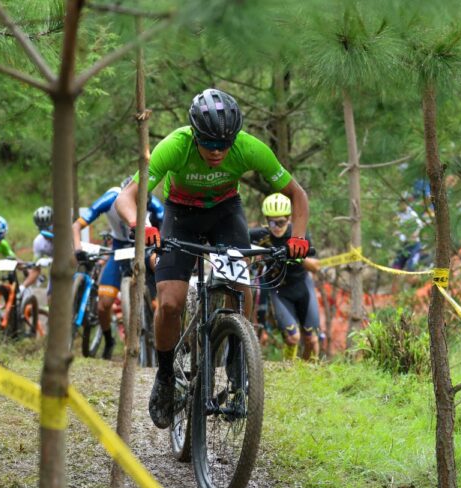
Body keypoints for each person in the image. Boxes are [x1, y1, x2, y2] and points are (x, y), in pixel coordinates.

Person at [115, 88, 311, 429]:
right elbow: (127, 196)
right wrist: (140, 224)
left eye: (225, 143)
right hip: (181, 214)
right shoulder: (176, 145)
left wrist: (298, 237)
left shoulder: (249, 147)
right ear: (194, 134)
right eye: (209, 143)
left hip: (225, 213)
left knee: (241, 284)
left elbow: (298, 194)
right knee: (171, 302)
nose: (218, 151)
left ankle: (239, 359)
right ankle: (164, 375)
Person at [71, 178, 163, 360]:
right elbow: (77, 226)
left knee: (158, 293)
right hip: (119, 247)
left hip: (144, 245)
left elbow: (166, 226)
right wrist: (78, 249)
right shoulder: (110, 198)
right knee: (104, 304)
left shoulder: (153, 203)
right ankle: (109, 340)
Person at [250, 193, 321, 361]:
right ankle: (290, 370)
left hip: (302, 285)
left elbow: (316, 267)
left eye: (281, 221)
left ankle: (309, 372)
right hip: (279, 290)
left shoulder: (298, 233)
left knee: (311, 338)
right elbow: (237, 238)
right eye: (271, 222)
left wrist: (295, 255)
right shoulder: (261, 235)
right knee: (292, 338)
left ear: (289, 219)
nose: (276, 226)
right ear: (266, 220)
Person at [20, 206, 53, 295]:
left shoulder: (65, 235)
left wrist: (50, 260)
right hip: (56, 270)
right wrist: (23, 287)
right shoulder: (39, 242)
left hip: (72, 268)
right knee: (50, 296)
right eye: (42, 229)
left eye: (48, 228)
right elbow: (35, 269)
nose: (46, 233)